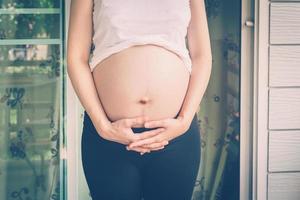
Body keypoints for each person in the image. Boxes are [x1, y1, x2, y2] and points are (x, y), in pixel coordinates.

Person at [67, 0, 212, 199]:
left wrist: (184, 121)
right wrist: (103, 126)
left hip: (175, 136)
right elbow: (76, 57)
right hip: (109, 135)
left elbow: (202, 56)